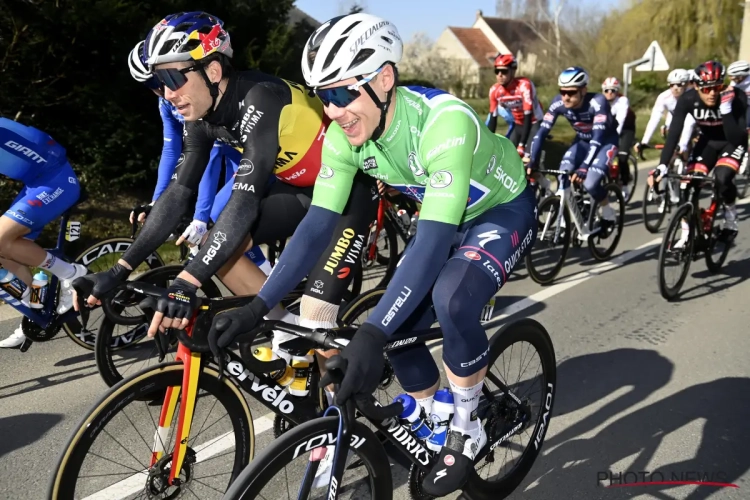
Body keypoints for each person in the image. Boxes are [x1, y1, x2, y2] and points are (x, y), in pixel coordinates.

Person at [206, 13, 537, 496]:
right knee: (398, 322)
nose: (334, 111)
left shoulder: (444, 122)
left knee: (451, 299)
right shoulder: (345, 137)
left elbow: (431, 241)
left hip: (500, 211)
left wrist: (372, 334)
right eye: (324, 97)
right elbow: (316, 226)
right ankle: (433, 411)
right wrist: (258, 307)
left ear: (384, 79)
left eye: (342, 93)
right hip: (446, 214)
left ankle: (467, 425)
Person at [73, 12, 377, 384]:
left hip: (346, 196)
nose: (167, 93)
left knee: (316, 314)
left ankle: (343, 407)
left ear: (213, 71)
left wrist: (188, 281)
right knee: (218, 251)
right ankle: (283, 327)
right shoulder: (200, 117)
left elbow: (244, 199)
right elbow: (179, 192)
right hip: (296, 190)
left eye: (172, 77)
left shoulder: (261, 97)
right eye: (159, 81)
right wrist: (120, 269)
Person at [127, 39, 271, 271]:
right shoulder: (166, 104)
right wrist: (157, 201)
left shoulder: (200, 99)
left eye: (163, 80)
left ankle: (270, 289)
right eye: (152, 85)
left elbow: (210, 158)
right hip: (227, 160)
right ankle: (262, 279)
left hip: (249, 159)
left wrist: (200, 218)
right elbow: (171, 150)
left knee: (215, 223)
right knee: (227, 235)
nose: (163, 92)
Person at [0, 119, 88, 348]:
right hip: (35, 183)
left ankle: (71, 273)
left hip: (56, 180)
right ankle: (34, 312)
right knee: (5, 256)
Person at [652, 60, 747, 244]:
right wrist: (662, 165)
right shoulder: (688, 100)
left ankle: (730, 217)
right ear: (695, 86)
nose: (712, 93)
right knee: (687, 184)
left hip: (732, 142)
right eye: (706, 89)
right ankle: (686, 234)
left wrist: (726, 109)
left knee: (722, 177)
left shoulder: (737, 97)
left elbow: (737, 137)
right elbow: (674, 134)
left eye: (717, 87)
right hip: (708, 142)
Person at [527, 67, 619, 225]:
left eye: (571, 93)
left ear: (583, 90)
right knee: (563, 173)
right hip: (582, 141)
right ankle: (567, 217)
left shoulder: (597, 102)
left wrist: (584, 166)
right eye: (562, 92)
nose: (566, 97)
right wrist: (533, 160)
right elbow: (541, 133)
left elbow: (597, 138)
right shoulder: (558, 103)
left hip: (605, 142)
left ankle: (608, 212)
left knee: (590, 183)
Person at [487, 53, 544, 157]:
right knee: (508, 157)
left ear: (513, 71)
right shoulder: (494, 90)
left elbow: (528, 116)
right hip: (518, 124)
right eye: (497, 71)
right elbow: (493, 120)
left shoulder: (524, 85)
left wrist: (522, 145)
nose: (500, 75)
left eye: (504, 71)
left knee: (527, 158)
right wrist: (488, 143)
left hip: (534, 122)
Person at [635, 68, 696, 158]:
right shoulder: (664, 97)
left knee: (690, 147)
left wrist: (683, 144)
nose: (675, 88)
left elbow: (690, 122)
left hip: (696, 123)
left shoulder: (692, 96)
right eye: (672, 85)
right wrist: (645, 141)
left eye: (679, 85)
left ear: (686, 84)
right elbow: (654, 119)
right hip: (678, 122)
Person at [601, 77, 637, 199]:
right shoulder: (600, 101)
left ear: (617, 91)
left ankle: (625, 184)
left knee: (622, 156)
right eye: (606, 90)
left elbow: (620, 121)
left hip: (626, 129)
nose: (609, 93)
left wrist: (613, 139)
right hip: (610, 128)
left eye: (613, 90)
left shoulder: (622, 101)